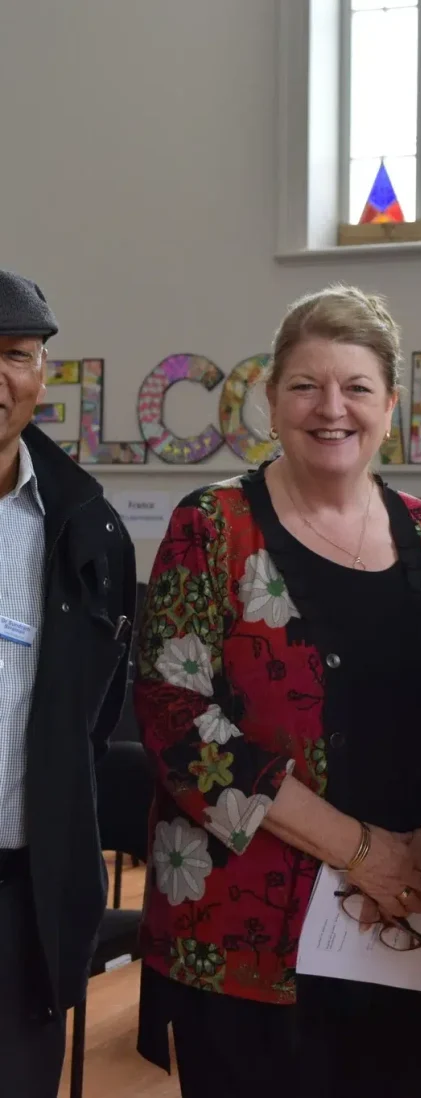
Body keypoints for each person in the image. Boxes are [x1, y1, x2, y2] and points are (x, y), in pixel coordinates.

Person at [134, 284, 421, 1098]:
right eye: (305, 385)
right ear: (272, 401)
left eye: (357, 387)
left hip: (414, 919)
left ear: (391, 405)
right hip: (249, 942)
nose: (330, 408)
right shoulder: (213, 527)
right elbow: (177, 722)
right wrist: (363, 853)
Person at [0, 268, 136, 1097]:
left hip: (24, 900)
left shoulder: (87, 528)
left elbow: (94, 718)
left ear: (42, 373)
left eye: (15, 354)